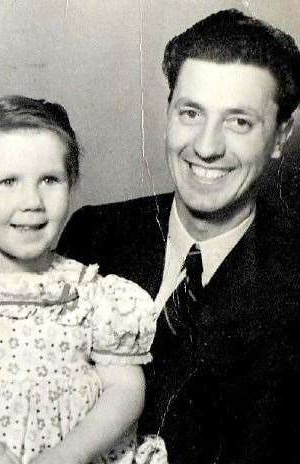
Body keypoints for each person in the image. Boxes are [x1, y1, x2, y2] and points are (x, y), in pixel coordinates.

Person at [57, 9, 300, 464]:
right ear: (167, 111)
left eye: (239, 122)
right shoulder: (94, 233)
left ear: (281, 135)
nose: (206, 147)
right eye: (191, 113)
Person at [0, 96, 167, 464]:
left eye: (49, 180)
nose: (32, 201)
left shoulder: (96, 296)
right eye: (9, 182)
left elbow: (125, 390)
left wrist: (69, 454)